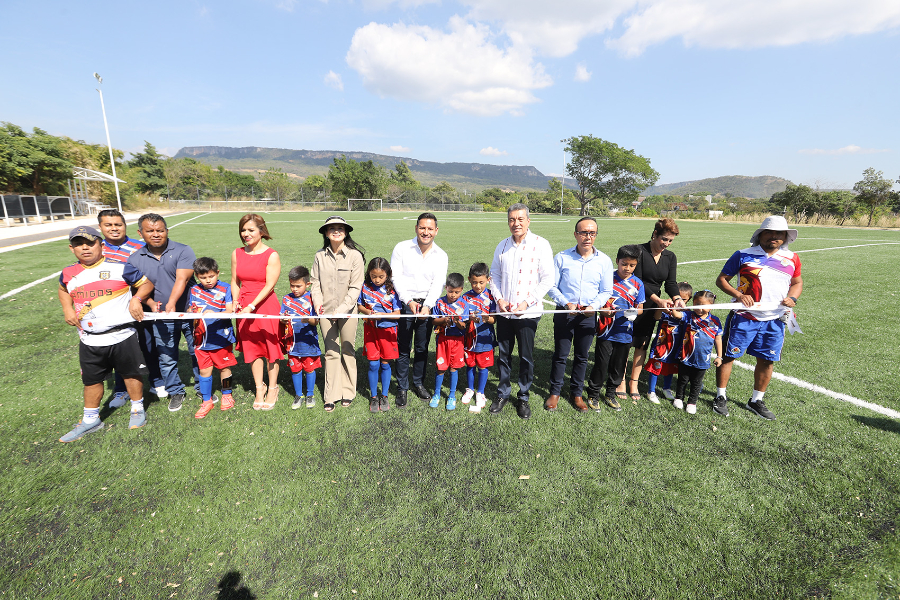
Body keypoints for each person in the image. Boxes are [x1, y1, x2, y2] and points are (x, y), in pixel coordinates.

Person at [58, 226, 154, 442]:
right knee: (91, 380)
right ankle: (91, 419)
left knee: (131, 374)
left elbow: (146, 283)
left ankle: (137, 409)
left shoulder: (120, 267)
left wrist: (136, 299)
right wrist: (66, 309)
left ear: (101, 245)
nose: (85, 248)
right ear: (72, 248)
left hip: (122, 335)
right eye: (79, 244)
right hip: (89, 338)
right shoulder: (68, 273)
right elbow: (63, 289)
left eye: (90, 243)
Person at [713, 215, 803, 420]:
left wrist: (792, 298)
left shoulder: (792, 258)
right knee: (728, 356)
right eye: (769, 232)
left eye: (779, 233)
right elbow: (722, 280)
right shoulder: (743, 254)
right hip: (744, 317)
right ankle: (720, 396)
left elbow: (797, 283)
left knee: (767, 360)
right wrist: (739, 295)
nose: (774, 236)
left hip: (775, 319)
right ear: (760, 234)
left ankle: (756, 400)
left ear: (785, 236)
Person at [128, 213, 199, 412]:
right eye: (150, 231)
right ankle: (175, 391)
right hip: (161, 317)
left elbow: (182, 279)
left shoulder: (183, 250)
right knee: (167, 357)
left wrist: (172, 303)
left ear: (167, 231)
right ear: (140, 233)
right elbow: (138, 288)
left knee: (197, 352)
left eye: (160, 230)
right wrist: (151, 303)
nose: (156, 234)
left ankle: (202, 387)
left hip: (189, 313)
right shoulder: (134, 259)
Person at [489, 203, 554, 419]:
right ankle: (503, 393)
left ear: (528, 220)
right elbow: (494, 276)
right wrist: (500, 299)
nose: (515, 223)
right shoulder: (502, 246)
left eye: (520, 219)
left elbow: (547, 279)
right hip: (505, 313)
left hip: (528, 314)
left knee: (526, 357)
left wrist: (526, 303)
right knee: (504, 356)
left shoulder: (541, 244)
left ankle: (523, 396)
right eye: (511, 219)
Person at [546, 216, 614, 413]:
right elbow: (551, 286)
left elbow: (606, 290)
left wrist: (594, 306)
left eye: (592, 233)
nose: (588, 237)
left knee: (582, 356)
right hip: (565, 312)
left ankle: (576, 393)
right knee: (560, 355)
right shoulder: (561, 258)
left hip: (588, 315)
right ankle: (555, 392)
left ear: (596, 235)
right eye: (584, 232)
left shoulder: (604, 261)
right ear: (575, 234)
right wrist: (566, 303)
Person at [96, 209, 162, 408]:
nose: (114, 228)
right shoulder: (98, 249)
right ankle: (121, 389)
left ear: (125, 226)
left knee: (148, 344)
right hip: (112, 308)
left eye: (118, 224)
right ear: (100, 227)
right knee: (119, 348)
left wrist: (143, 299)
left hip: (141, 303)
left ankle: (156, 380)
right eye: (108, 225)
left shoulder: (139, 246)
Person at [390, 213, 448, 407]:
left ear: (436, 231)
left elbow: (438, 283)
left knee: (422, 347)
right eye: (422, 228)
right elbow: (396, 277)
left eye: (430, 229)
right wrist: (408, 301)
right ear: (416, 228)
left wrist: (427, 305)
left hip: (427, 306)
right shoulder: (402, 248)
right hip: (405, 303)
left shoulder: (441, 255)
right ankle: (402, 387)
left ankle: (418, 383)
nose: (426, 232)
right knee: (403, 347)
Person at [623, 218, 683, 401]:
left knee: (642, 344)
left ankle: (633, 383)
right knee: (625, 343)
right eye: (664, 239)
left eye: (670, 240)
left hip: (653, 307)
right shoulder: (639, 251)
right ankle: (620, 381)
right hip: (634, 302)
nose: (667, 243)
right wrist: (658, 300)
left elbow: (670, 283)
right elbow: (638, 281)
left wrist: (677, 298)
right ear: (655, 234)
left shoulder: (670, 257)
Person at [310, 215, 365, 412]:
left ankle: (348, 391)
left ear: (346, 232)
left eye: (340, 228)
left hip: (348, 312)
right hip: (325, 311)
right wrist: (318, 304)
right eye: (331, 228)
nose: (336, 231)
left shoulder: (355, 256)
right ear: (326, 233)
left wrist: (341, 310)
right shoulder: (319, 256)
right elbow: (315, 283)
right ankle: (331, 395)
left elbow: (356, 286)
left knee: (348, 350)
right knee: (331, 352)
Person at [231, 213, 282, 410]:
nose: (246, 234)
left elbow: (270, 285)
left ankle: (273, 387)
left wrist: (251, 306)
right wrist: (236, 301)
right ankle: (259, 388)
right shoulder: (237, 253)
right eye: (243, 230)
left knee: (270, 349)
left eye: (251, 230)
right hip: (244, 307)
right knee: (252, 349)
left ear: (261, 231)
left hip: (265, 306)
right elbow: (235, 281)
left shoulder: (272, 255)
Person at [585, 245, 645, 411]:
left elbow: (640, 308)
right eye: (624, 264)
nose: (627, 268)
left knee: (618, 366)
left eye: (632, 265)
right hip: (606, 331)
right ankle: (593, 394)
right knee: (601, 364)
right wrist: (603, 311)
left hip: (625, 332)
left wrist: (633, 312)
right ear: (617, 261)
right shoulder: (607, 279)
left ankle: (610, 393)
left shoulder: (638, 284)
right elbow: (597, 302)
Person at [188, 257, 238, 419]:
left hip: (221, 337)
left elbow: (230, 311)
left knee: (224, 367)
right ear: (197, 276)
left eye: (211, 276)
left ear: (217, 273)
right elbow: (191, 308)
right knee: (204, 370)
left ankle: (227, 395)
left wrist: (215, 313)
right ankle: (206, 400)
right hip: (201, 339)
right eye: (203, 277)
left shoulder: (226, 288)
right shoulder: (194, 290)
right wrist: (190, 312)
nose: (208, 280)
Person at [666, 290, 723, 415]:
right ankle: (679, 398)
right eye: (697, 304)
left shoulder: (715, 321)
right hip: (686, 356)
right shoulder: (689, 315)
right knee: (683, 379)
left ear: (711, 306)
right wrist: (673, 306)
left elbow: (718, 339)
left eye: (703, 306)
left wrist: (719, 356)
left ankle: (692, 402)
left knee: (696, 382)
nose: (699, 308)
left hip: (703, 359)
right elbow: (677, 315)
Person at [357, 257, 401, 413]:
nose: (377, 280)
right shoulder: (365, 287)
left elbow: (397, 314)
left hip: (388, 331)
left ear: (387, 274)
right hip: (371, 330)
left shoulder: (392, 290)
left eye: (381, 277)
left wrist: (382, 315)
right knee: (373, 364)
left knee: (385, 363)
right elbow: (359, 306)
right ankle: (374, 397)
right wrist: (368, 312)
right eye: (373, 276)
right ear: (369, 273)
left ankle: (385, 395)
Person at [644, 281, 694, 404]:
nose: (679, 301)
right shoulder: (666, 308)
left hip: (676, 346)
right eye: (677, 298)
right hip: (662, 344)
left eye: (684, 299)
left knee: (670, 368)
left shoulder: (687, 312)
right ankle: (651, 391)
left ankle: (666, 388)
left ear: (689, 299)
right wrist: (662, 307)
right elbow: (656, 317)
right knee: (656, 367)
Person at [280, 265, 321, 410]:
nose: (295, 289)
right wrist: (283, 320)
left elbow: (316, 321)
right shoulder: (286, 299)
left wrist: (308, 319)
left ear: (307, 284)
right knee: (295, 369)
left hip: (308, 342)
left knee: (309, 369)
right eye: (292, 285)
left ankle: (310, 394)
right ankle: (299, 395)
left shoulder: (312, 298)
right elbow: (281, 318)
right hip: (292, 343)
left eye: (298, 286)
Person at [429, 273, 471, 410]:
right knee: (441, 368)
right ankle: (436, 394)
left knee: (454, 368)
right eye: (450, 291)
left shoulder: (463, 304)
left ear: (462, 290)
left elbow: (464, 326)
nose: (453, 295)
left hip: (457, 341)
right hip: (442, 340)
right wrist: (444, 320)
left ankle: (452, 396)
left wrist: (457, 321)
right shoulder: (439, 302)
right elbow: (434, 320)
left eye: (456, 292)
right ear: (446, 287)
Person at [461, 263, 497, 414]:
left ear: (488, 280)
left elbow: (494, 320)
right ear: (469, 279)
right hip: (469, 339)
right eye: (474, 282)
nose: (478, 286)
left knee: (483, 366)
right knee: (470, 365)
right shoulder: (465, 297)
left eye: (481, 282)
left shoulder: (491, 296)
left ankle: (480, 392)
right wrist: (469, 318)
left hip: (485, 339)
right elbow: (462, 319)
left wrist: (486, 318)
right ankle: (470, 389)